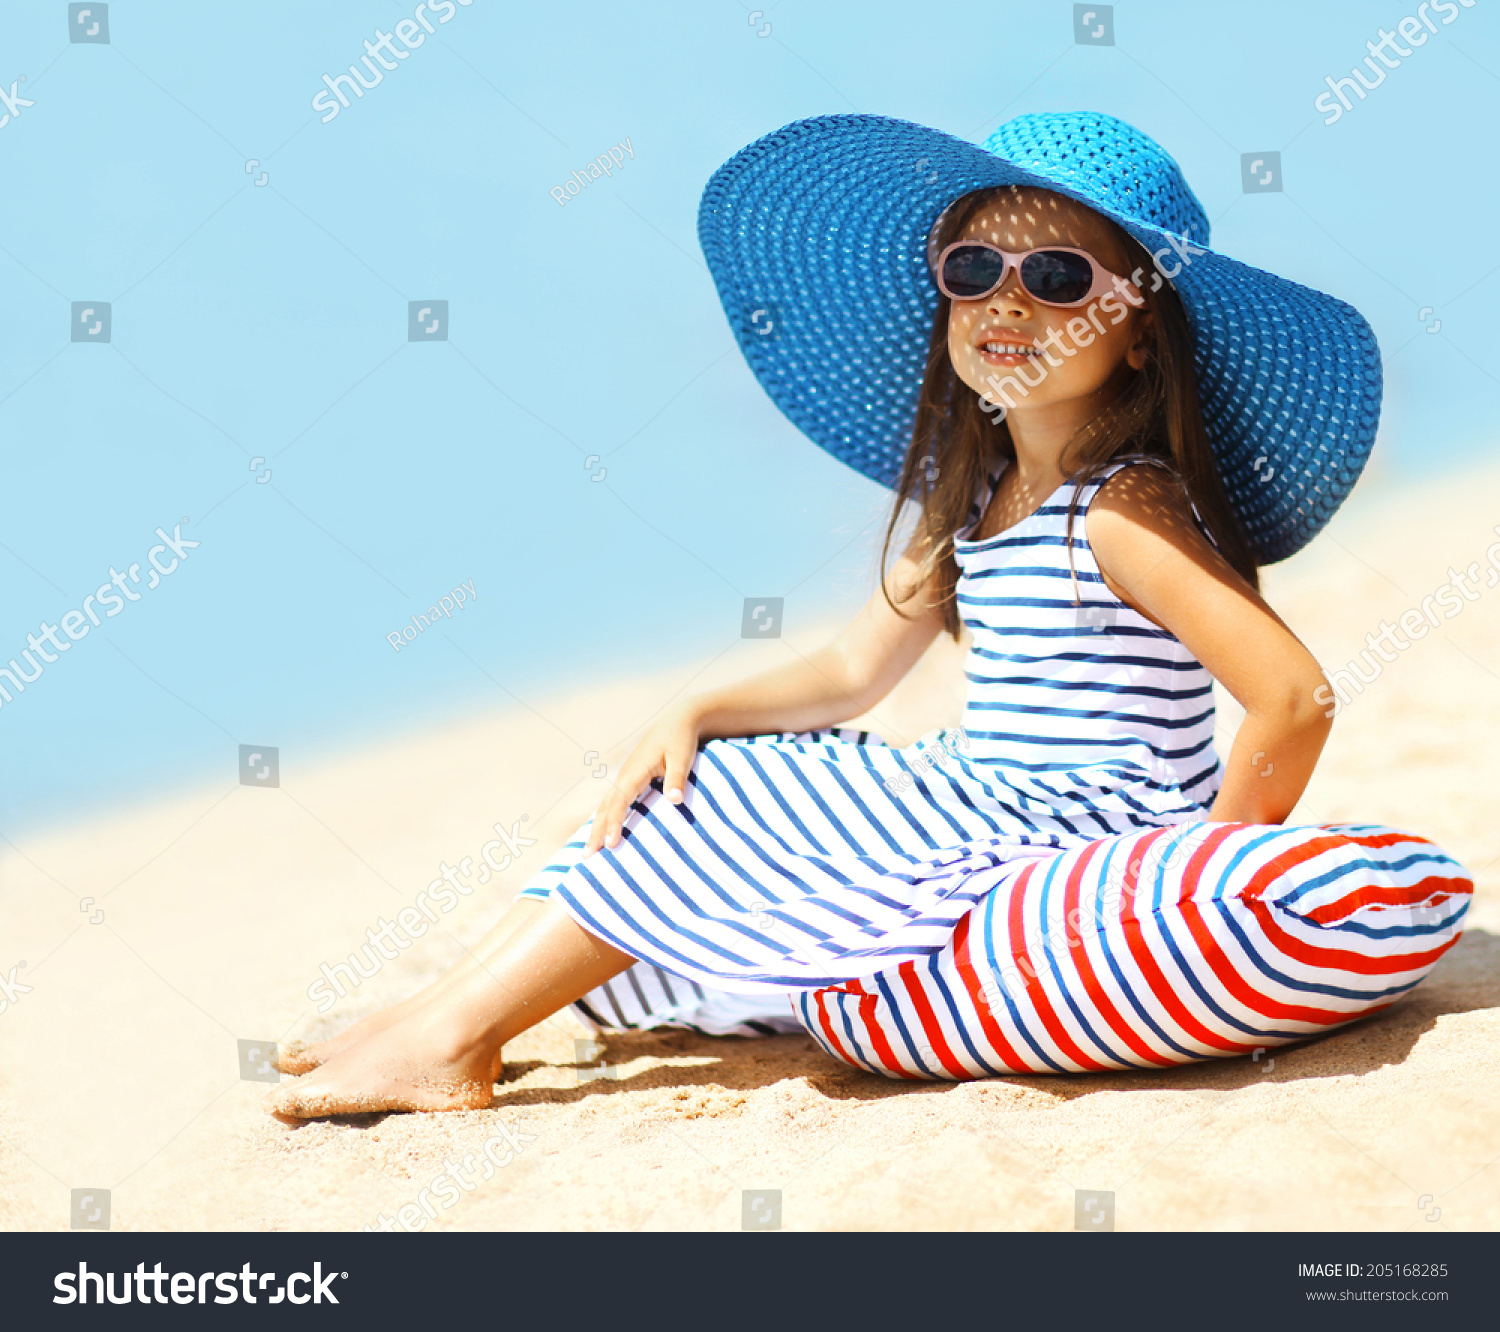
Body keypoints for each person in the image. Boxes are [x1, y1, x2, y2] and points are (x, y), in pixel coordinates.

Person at [267, 110, 1471, 1117]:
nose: (1008, 300)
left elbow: (1293, 694)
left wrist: (1209, 849)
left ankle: (452, 1038)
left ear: (1138, 332)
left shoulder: (1121, 509)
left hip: (1078, 818)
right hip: (990, 796)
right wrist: (700, 701)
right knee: (701, 779)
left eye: (1058, 278)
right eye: (973, 272)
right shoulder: (982, 509)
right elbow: (851, 670)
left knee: (741, 796)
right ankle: (440, 1012)